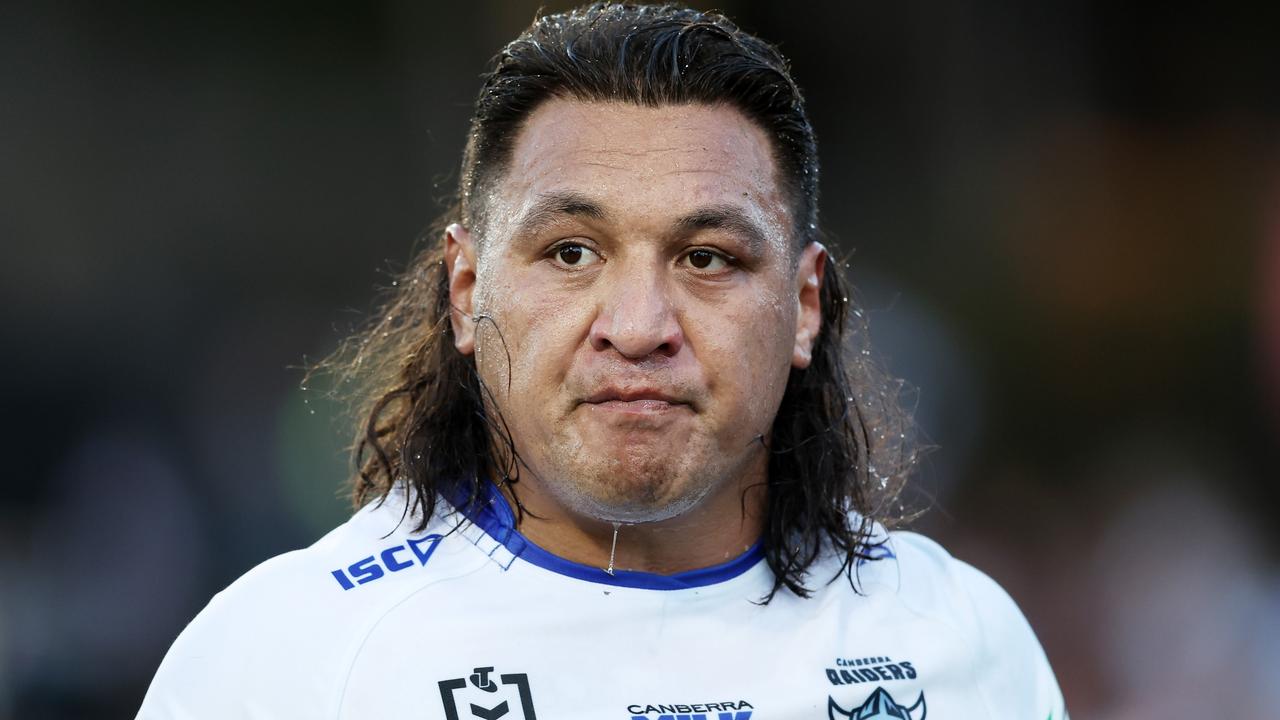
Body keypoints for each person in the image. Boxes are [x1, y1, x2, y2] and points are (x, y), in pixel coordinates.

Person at [139, 4, 1067, 718]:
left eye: (707, 258)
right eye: (571, 252)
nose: (636, 325)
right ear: (467, 291)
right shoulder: (287, 661)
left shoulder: (959, 643)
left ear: (804, 307)